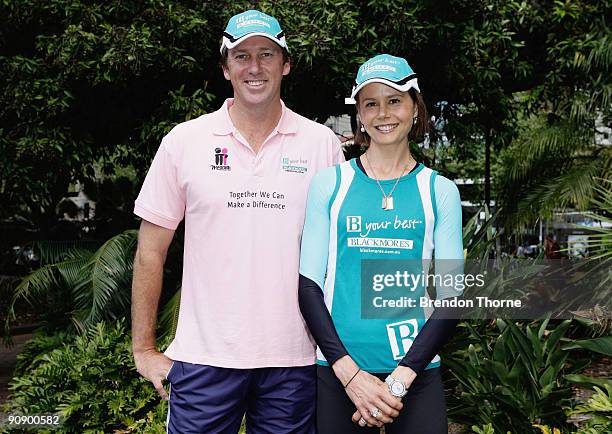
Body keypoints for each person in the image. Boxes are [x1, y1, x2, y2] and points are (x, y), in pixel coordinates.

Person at [131, 9, 344, 434]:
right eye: (242, 56)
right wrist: (144, 348)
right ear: (226, 69)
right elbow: (150, 252)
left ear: (285, 64)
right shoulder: (184, 141)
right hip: (203, 358)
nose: (255, 67)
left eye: (266, 54)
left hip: (294, 359)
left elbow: (338, 258)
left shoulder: (322, 144)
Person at [298, 54, 464, 433]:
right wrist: (351, 375)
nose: (383, 113)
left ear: (414, 107)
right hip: (339, 373)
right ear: (359, 112)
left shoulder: (439, 190)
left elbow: (453, 295)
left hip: (415, 373)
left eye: (394, 100)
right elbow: (308, 286)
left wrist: (398, 382)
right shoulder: (330, 183)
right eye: (371, 103)